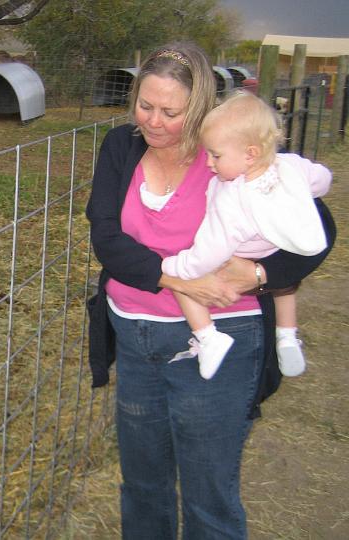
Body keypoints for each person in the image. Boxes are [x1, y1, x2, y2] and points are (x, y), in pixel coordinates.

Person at [85, 41, 335, 539]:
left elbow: (317, 231)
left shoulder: (229, 151)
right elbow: (106, 237)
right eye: (145, 106)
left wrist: (259, 276)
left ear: (198, 108)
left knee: (208, 494)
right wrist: (179, 279)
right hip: (135, 338)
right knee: (143, 485)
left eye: (171, 112)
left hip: (224, 335)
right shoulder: (121, 146)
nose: (154, 122)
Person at [162, 91, 332, 380]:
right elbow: (322, 179)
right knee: (285, 286)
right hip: (275, 250)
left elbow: (211, 251)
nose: (209, 164)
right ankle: (287, 336)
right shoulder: (289, 165)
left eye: (216, 155)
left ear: (250, 153)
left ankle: (208, 337)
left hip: (241, 256)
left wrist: (174, 267)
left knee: (182, 282)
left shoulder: (232, 197)